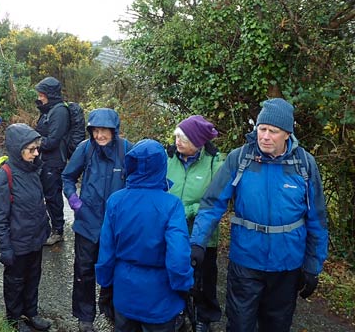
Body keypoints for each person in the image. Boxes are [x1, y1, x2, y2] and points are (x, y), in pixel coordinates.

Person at [190, 98, 329, 332]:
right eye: (261, 129)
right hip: (246, 260)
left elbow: (317, 218)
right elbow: (212, 203)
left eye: (272, 131)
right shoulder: (240, 158)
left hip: (287, 264)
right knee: (239, 325)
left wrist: (313, 266)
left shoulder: (304, 164)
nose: (264, 136)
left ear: (287, 133)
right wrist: (198, 243)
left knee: (277, 325)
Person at [95, 139, 194, 332]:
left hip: (125, 293)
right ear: (162, 166)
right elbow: (178, 255)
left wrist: (105, 285)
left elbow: (106, 249)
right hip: (160, 296)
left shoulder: (116, 201)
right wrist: (184, 286)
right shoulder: (171, 204)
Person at [62, 108, 133, 332]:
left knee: (114, 268)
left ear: (115, 130)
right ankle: (85, 317)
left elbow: (139, 178)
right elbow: (67, 177)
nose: (99, 135)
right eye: (95, 130)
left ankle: (110, 307)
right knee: (84, 270)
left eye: (104, 131)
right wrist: (75, 201)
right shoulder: (85, 148)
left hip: (116, 225)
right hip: (87, 222)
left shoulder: (126, 150)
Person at [0, 123, 52, 332]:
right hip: (17, 242)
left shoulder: (34, 169)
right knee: (15, 281)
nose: (36, 153)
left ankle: (31, 312)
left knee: (33, 277)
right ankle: (14, 318)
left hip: (35, 238)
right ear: (18, 149)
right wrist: (5, 248)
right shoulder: (4, 175)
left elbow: (38, 201)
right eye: (31, 149)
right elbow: (0, 217)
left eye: (37, 149)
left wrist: (46, 226)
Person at [167, 115, 223, 332]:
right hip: (173, 231)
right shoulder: (169, 157)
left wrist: (186, 211)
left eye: (183, 138)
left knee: (204, 278)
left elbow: (216, 201)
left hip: (203, 234)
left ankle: (203, 317)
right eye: (176, 137)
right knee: (174, 271)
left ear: (198, 141)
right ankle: (178, 311)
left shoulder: (214, 162)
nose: (177, 142)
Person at [34, 76, 70, 246]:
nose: (39, 98)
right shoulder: (49, 109)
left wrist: (33, 142)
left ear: (50, 94)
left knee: (53, 195)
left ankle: (58, 230)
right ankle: (48, 227)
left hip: (54, 162)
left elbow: (53, 140)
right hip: (45, 160)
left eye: (41, 95)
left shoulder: (60, 112)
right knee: (45, 194)